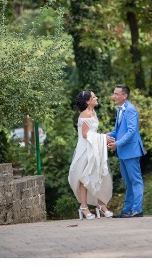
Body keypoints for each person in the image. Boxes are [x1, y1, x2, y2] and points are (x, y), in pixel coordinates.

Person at [67, 90, 114, 220]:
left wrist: (105, 137)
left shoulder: (93, 112)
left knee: (97, 174)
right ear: (88, 101)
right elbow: (85, 135)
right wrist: (103, 138)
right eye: (94, 97)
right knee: (84, 176)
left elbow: (93, 132)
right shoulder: (86, 114)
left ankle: (100, 204)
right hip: (85, 149)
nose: (96, 98)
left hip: (93, 148)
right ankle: (84, 207)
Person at [106, 84, 145, 218]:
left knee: (136, 181)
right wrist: (105, 137)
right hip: (123, 151)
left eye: (116, 94)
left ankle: (137, 210)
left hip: (131, 151)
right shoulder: (120, 110)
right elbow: (118, 131)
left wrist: (116, 144)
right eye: (114, 93)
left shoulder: (130, 110)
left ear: (124, 96)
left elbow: (131, 131)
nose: (114, 96)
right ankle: (127, 210)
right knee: (128, 183)